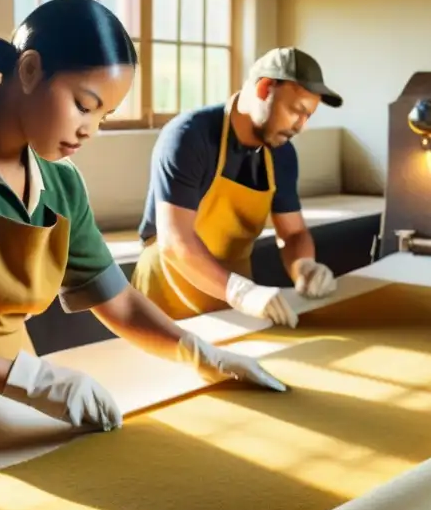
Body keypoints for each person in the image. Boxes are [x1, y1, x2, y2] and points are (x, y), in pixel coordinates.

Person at [0, 0, 285, 433]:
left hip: (10, 408)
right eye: (83, 105)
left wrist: (201, 354)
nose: (88, 130)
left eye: (104, 117)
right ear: (31, 70)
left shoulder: (61, 182)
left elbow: (118, 301)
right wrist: (32, 381)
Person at [131, 47, 342, 328]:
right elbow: (175, 240)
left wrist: (304, 267)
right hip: (167, 295)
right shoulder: (188, 137)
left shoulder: (281, 153)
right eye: (296, 111)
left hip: (232, 302)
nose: (299, 127)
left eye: (308, 117)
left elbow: (293, 233)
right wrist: (239, 292)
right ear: (265, 87)